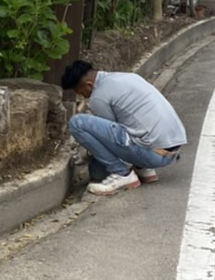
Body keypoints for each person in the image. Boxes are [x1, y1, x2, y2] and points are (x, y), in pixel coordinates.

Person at [60, 59, 187, 196]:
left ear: (89, 85)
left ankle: (122, 174)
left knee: (78, 123)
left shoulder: (99, 97)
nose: (82, 96)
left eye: (80, 92)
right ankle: (143, 168)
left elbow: (107, 138)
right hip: (172, 151)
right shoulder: (129, 77)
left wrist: (84, 154)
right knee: (98, 168)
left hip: (152, 154)